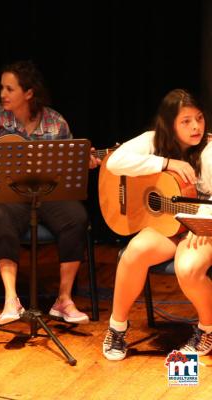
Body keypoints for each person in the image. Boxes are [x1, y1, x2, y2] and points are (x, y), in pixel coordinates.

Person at [0, 60, 100, 326]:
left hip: (46, 196)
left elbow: (69, 163)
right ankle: (11, 299)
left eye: (10, 89)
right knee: (1, 215)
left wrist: (85, 161)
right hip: (8, 196)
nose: (3, 94)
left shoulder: (56, 123)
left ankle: (64, 299)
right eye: (2, 88)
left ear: (29, 93)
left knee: (77, 218)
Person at [102, 88, 212, 361]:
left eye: (199, 118)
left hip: (202, 227)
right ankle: (117, 328)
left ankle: (207, 329)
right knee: (135, 252)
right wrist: (164, 163)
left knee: (187, 268)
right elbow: (115, 162)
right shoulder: (154, 141)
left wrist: (202, 223)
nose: (196, 126)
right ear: (169, 124)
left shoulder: (209, 151)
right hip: (169, 225)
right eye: (186, 121)